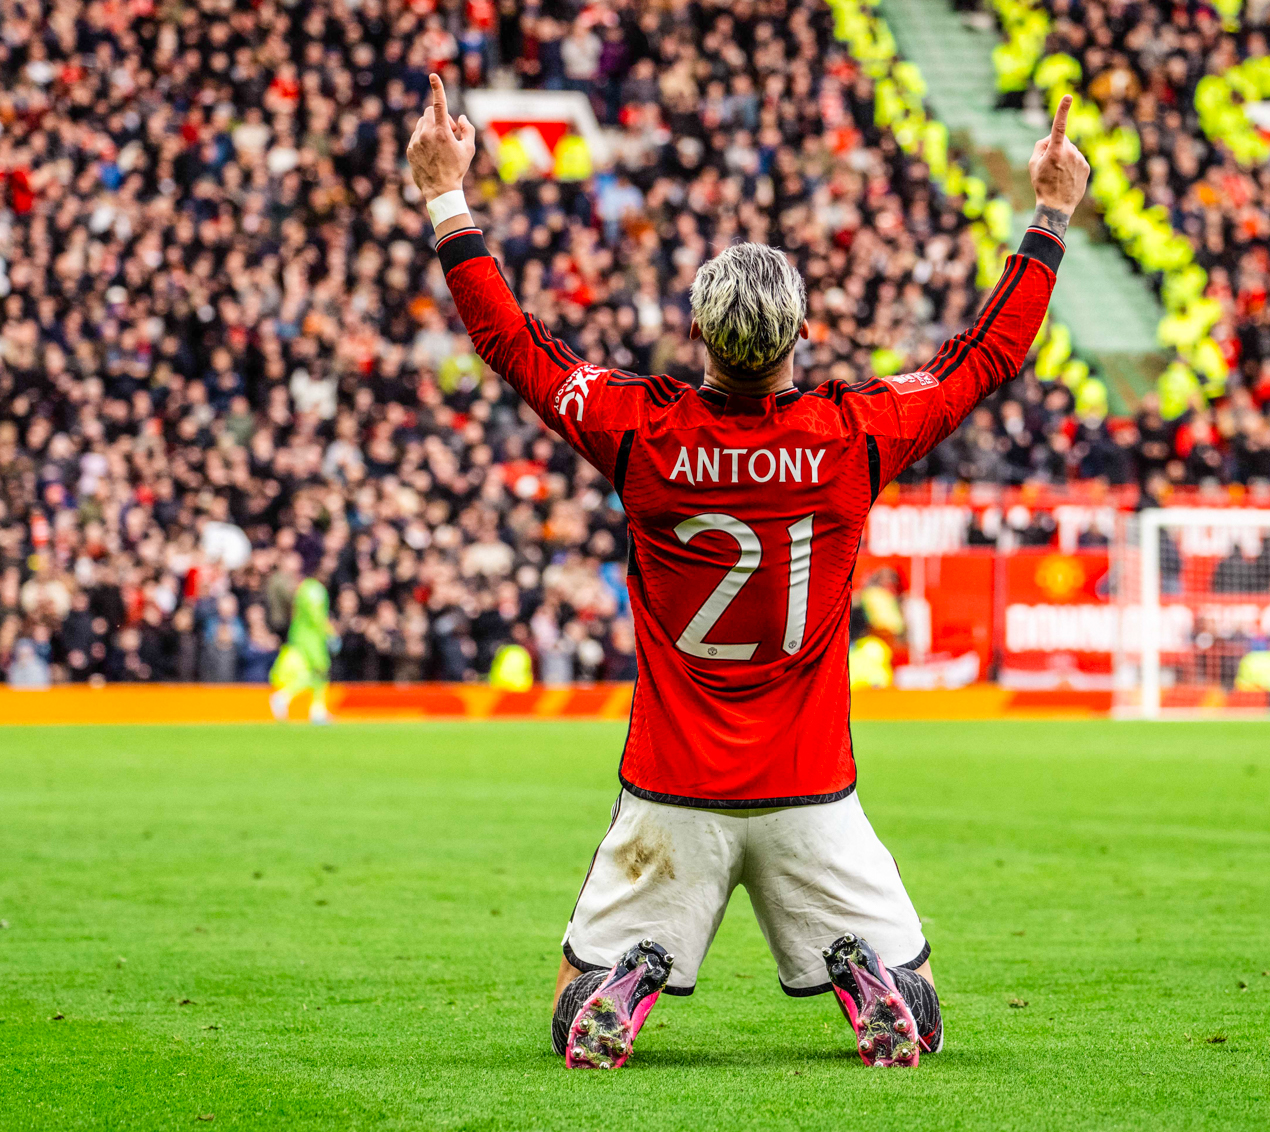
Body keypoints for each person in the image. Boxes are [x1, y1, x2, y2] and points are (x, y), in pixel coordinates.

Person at [409, 75, 1087, 1069]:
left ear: (700, 335)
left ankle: (626, 976)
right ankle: (868, 982)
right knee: (923, 1005)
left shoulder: (640, 431)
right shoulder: (852, 437)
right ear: (797, 336)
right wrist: (1049, 214)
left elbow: (514, 346)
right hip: (811, 787)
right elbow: (983, 358)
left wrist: (445, 199)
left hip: (670, 781)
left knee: (570, 1006)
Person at [268, 578, 334, 724]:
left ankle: (316, 710)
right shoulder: (314, 589)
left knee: (318, 675)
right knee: (317, 672)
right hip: (310, 639)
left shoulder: (305, 588)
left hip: (302, 637)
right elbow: (315, 615)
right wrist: (330, 632)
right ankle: (284, 698)